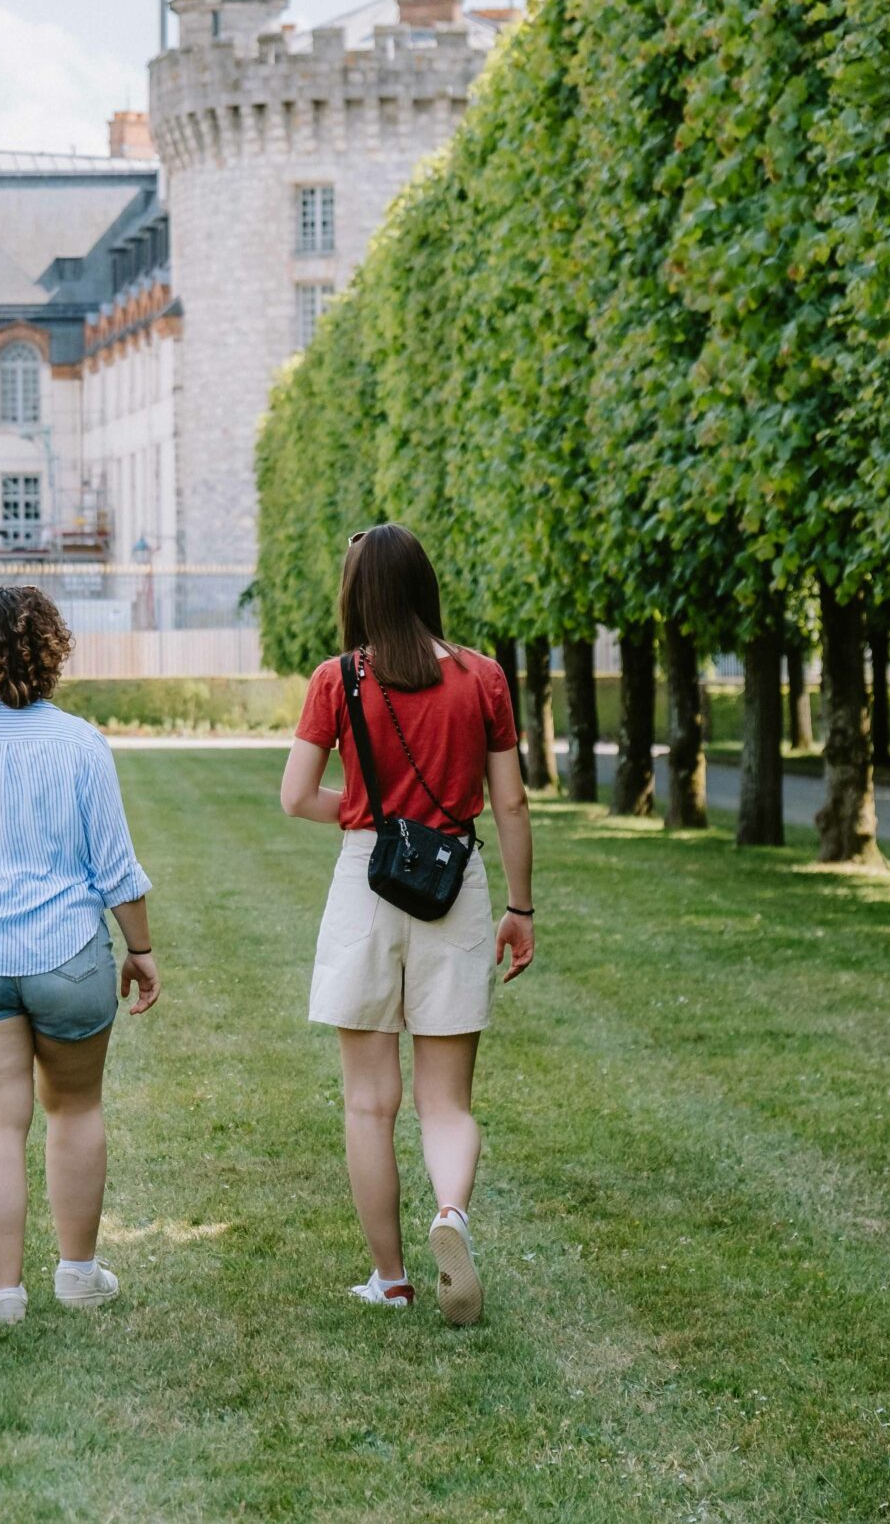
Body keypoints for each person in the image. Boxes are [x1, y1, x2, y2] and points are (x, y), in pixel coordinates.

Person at [277, 525, 534, 1327]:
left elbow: (294, 795)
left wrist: (362, 817)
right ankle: (450, 1214)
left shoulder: (337, 678)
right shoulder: (484, 676)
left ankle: (389, 1277)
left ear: (356, 594)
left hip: (370, 876)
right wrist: (519, 908)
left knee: (368, 1100)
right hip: (454, 879)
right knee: (446, 1100)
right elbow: (512, 803)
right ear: (423, 585)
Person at [0, 586, 159, 1326]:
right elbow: (115, 865)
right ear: (49, 651)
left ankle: (2, 1291)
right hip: (68, 954)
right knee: (75, 1108)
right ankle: (79, 1273)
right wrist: (141, 948)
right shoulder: (80, 743)